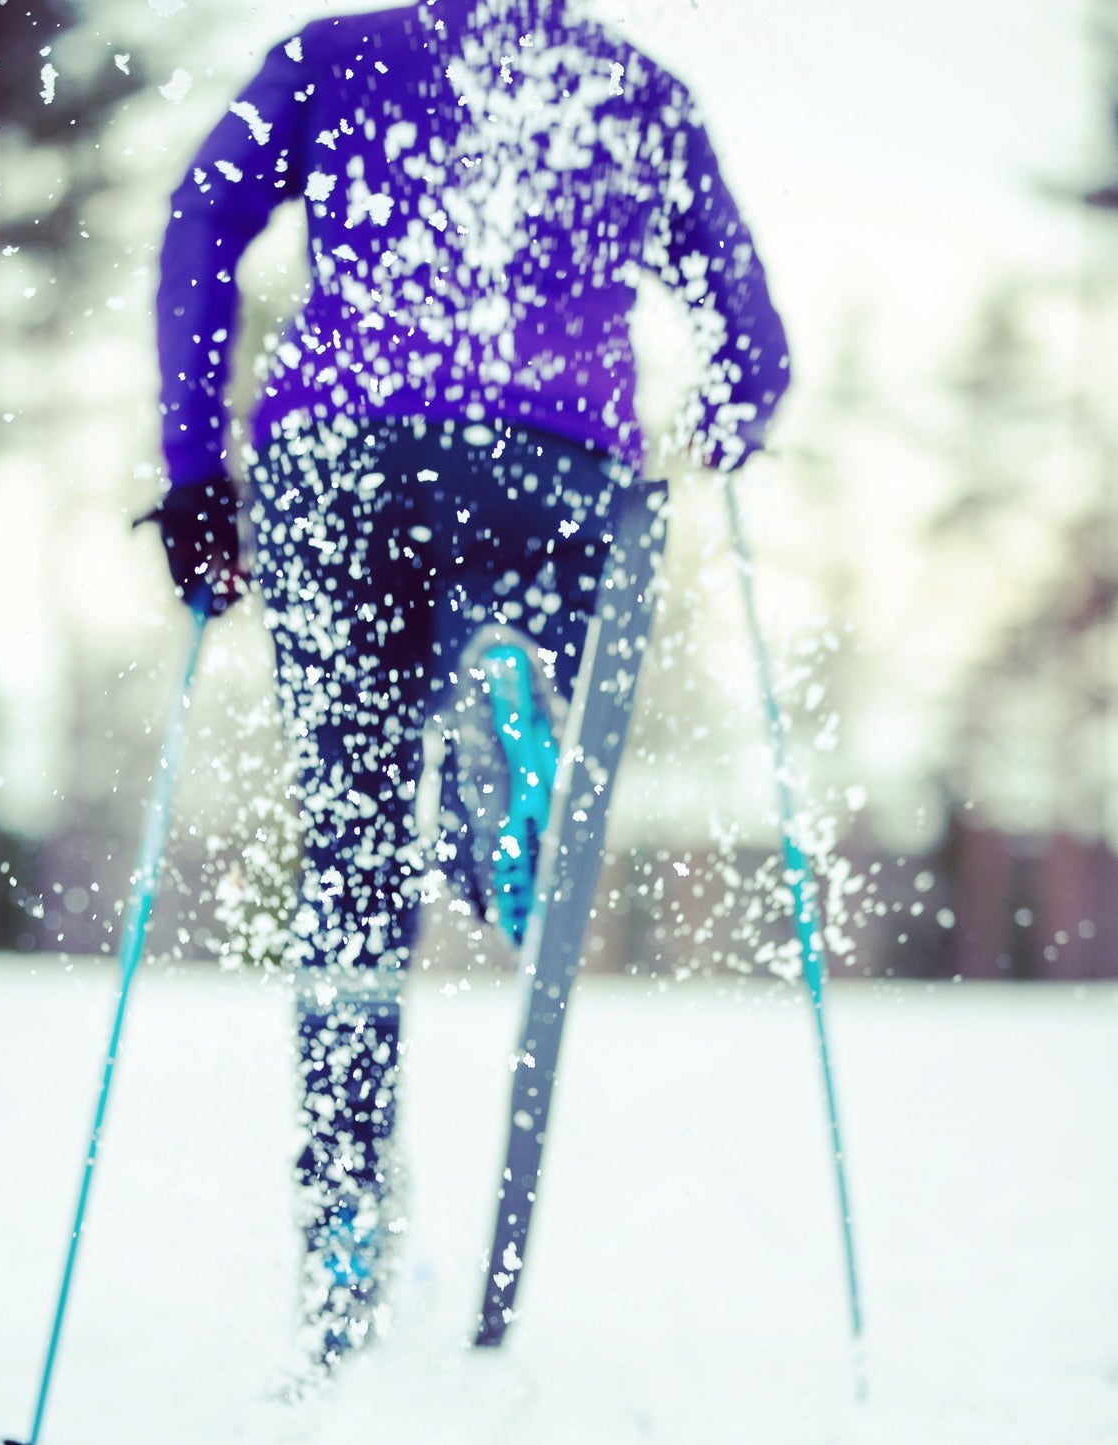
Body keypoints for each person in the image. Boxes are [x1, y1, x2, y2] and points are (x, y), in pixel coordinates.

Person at [141, 0, 789, 1376]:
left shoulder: (331, 57)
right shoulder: (630, 87)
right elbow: (749, 332)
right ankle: (500, 756)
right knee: (506, 769)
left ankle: (342, 1249)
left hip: (341, 455)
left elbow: (201, 221)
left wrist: (195, 464)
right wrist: (731, 414)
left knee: (349, 865)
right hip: (553, 472)